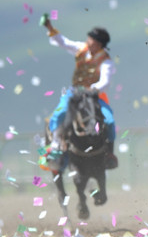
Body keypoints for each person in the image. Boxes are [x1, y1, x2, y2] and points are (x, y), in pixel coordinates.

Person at [41, 16, 118, 169]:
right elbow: (63, 42)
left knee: (109, 121)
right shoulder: (81, 49)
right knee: (58, 114)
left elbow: (105, 81)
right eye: (88, 39)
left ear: (99, 44)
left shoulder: (106, 61)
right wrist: (50, 28)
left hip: (95, 96)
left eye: (91, 41)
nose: (88, 42)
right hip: (74, 93)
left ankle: (109, 153)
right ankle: (56, 144)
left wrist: (92, 90)